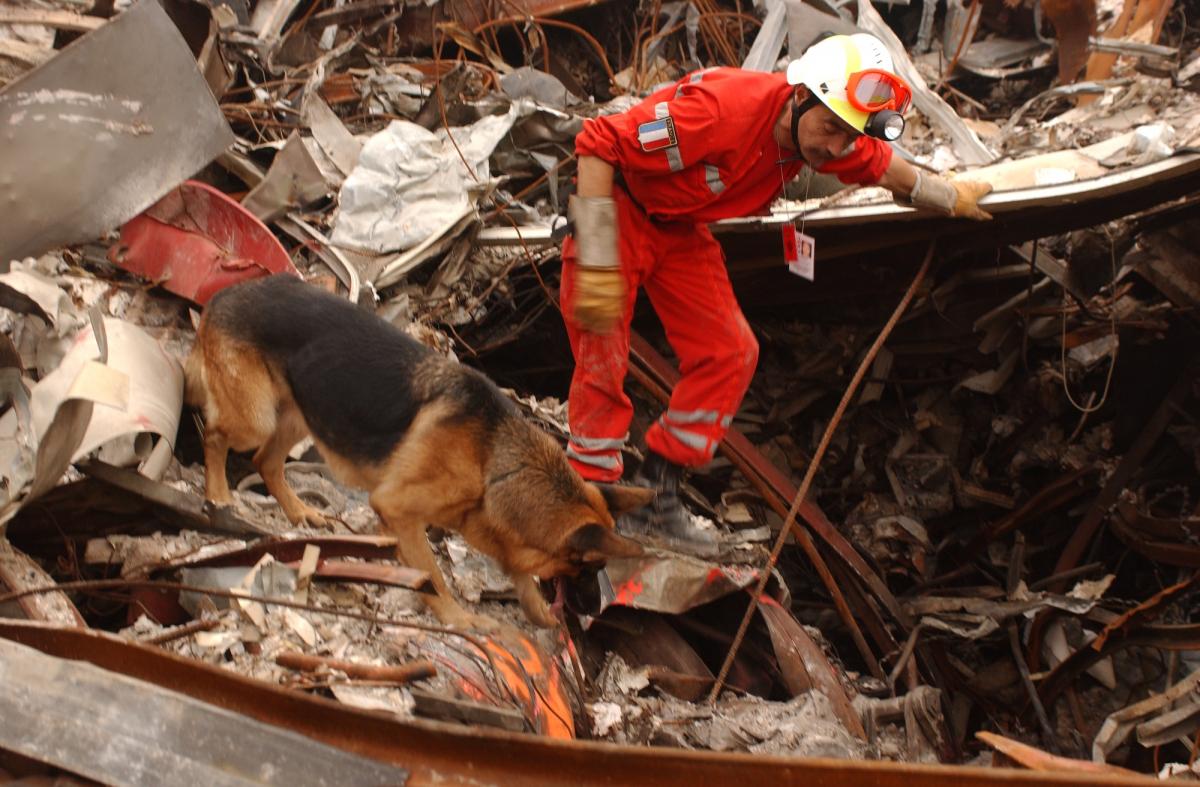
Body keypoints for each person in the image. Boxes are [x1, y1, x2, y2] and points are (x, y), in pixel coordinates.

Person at [560, 33, 992, 556]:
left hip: (680, 229)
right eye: (831, 128)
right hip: (616, 208)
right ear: (802, 93)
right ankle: (584, 503)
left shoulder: (832, 136)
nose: (834, 148)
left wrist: (948, 196)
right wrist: (599, 247)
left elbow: (883, 168)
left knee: (731, 353)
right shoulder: (720, 111)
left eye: (848, 136)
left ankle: (657, 489)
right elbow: (598, 142)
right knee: (602, 348)